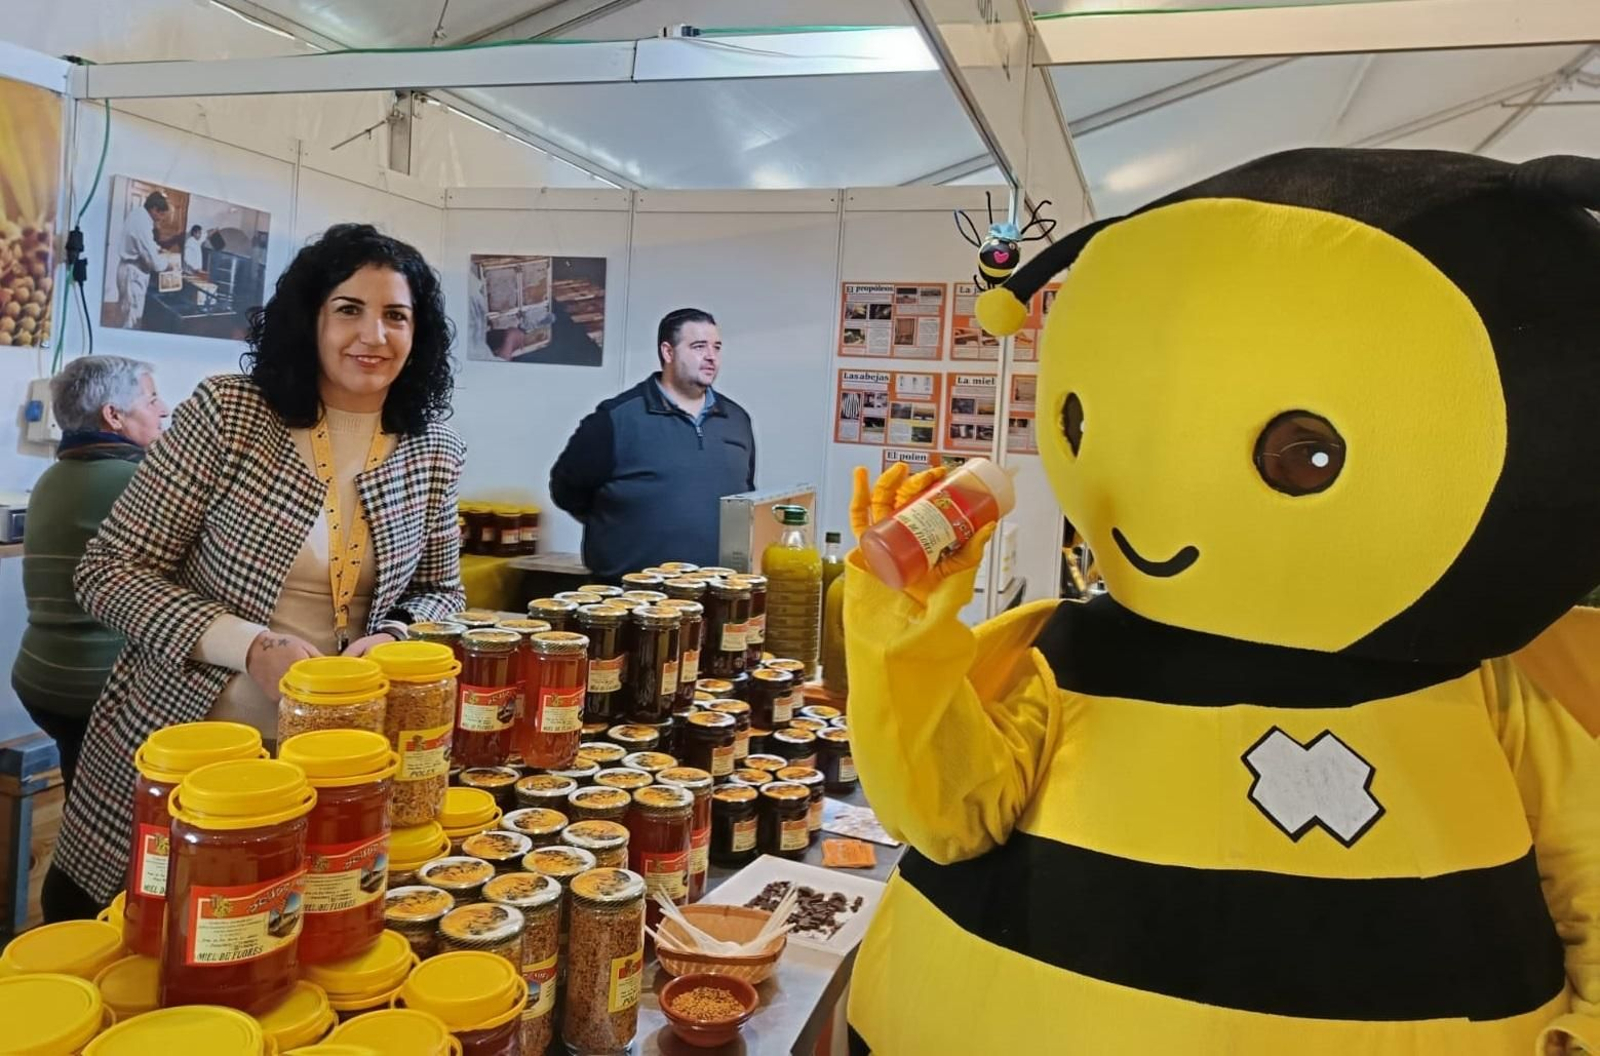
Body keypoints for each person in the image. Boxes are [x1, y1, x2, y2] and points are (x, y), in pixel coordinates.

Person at [842, 149, 1600, 1054]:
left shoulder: (1486, 694)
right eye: (1082, 422)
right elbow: (947, 815)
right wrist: (902, 624)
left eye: (1305, 454)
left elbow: (1588, 867)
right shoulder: (1073, 654)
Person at [46, 223, 465, 922]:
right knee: (141, 927)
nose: (374, 335)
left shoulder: (432, 449)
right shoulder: (231, 415)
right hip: (191, 740)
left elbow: (441, 592)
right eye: (349, 309)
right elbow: (108, 571)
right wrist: (250, 646)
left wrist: (395, 637)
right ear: (311, 318)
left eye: (396, 315)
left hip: (335, 762)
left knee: (277, 936)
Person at [12, 356, 168, 792]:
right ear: (113, 415)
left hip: (43, 677)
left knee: (83, 794)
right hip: (97, 686)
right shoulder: (136, 481)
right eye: (152, 399)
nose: (164, 409)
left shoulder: (52, 476)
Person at [550, 308, 755, 578]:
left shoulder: (737, 420)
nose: (711, 356)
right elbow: (566, 490)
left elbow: (744, 497)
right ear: (668, 352)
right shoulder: (616, 419)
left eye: (716, 347)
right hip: (628, 593)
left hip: (715, 591)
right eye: (698, 346)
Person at [115, 191, 170, 329]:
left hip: (130, 270)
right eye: (161, 215)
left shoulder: (138, 214)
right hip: (132, 273)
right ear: (154, 209)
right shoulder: (142, 223)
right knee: (132, 319)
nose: (161, 219)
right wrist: (168, 264)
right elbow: (154, 263)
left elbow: (145, 243)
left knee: (129, 313)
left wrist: (158, 248)